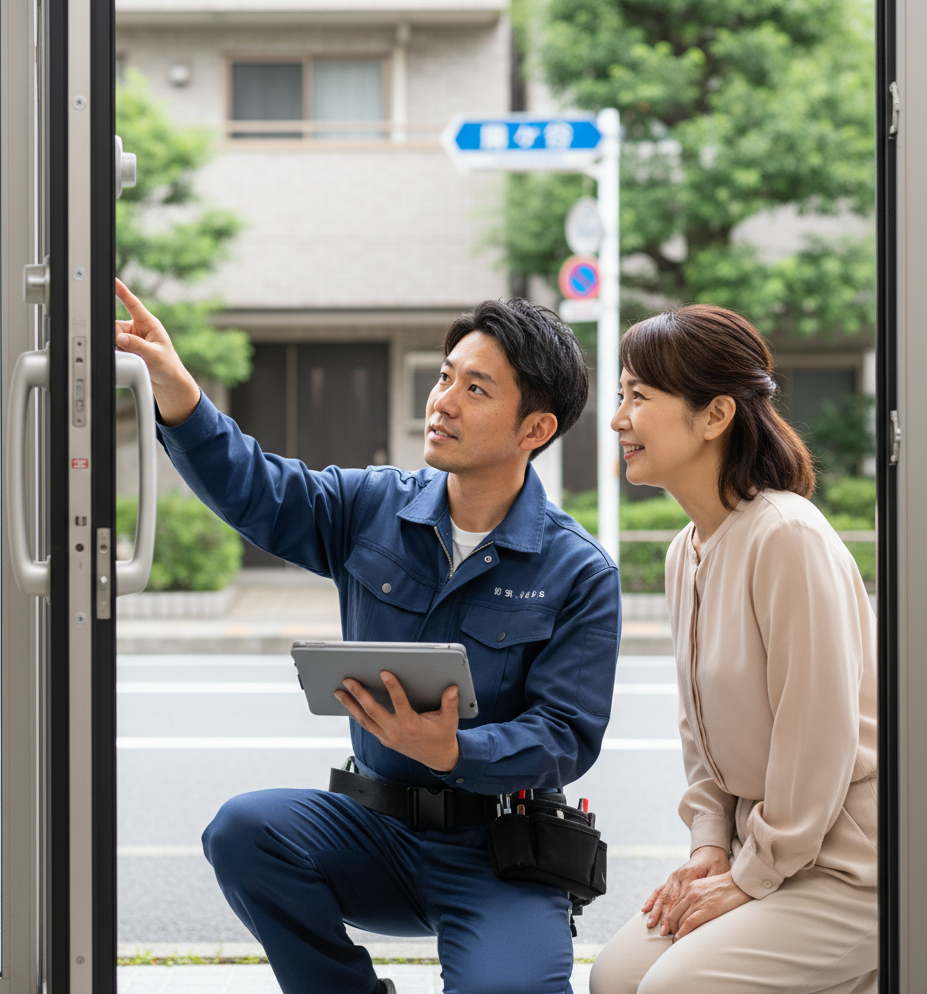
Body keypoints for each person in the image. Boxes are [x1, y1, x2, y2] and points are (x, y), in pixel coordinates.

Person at [114, 280, 622, 994]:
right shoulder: (370, 507)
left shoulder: (579, 570)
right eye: (445, 376)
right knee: (244, 832)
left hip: (499, 852)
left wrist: (454, 750)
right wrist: (179, 393)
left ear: (534, 430)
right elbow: (259, 490)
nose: (442, 400)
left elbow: (567, 735)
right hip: (375, 832)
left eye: (476, 389)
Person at [590, 305, 878, 994]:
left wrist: (748, 878)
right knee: (614, 977)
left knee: (672, 988)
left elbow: (818, 741)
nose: (618, 419)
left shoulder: (787, 536)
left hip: (851, 866)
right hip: (766, 852)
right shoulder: (684, 552)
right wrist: (710, 847)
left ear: (715, 415)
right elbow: (703, 741)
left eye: (639, 396)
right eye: (620, 395)